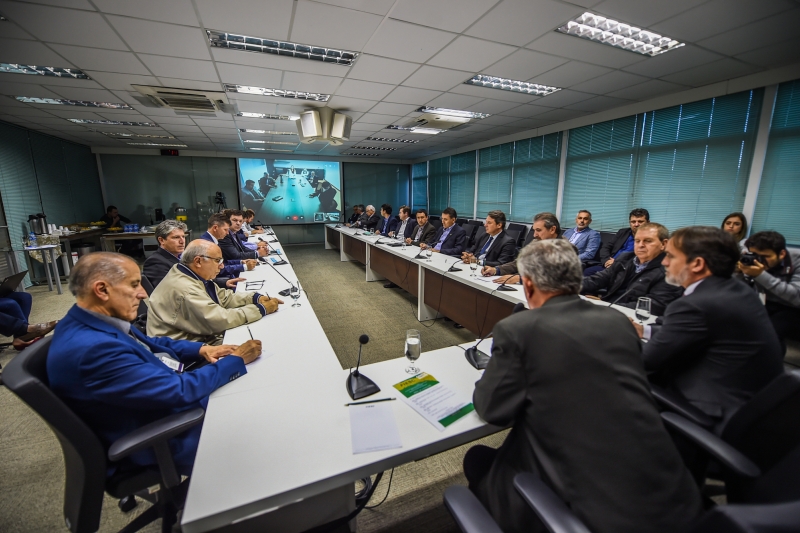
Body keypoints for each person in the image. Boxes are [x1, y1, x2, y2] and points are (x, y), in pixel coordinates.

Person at [466, 239, 702, 533]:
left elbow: (491, 409)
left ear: (528, 285)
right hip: (673, 496)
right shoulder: (617, 320)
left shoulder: (518, 329)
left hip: (596, 512)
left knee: (477, 459)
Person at [46, 252, 263, 475]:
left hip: (162, 400)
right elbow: (178, 391)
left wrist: (201, 349)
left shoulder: (91, 319)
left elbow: (150, 343)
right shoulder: (94, 350)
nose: (143, 294)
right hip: (166, 436)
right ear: (101, 290)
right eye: (134, 285)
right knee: (261, 417)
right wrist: (236, 360)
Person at [631, 226, 783, 432]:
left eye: (670, 256)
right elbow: (690, 333)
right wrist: (643, 330)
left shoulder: (696, 304)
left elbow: (646, 361)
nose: (664, 262)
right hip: (751, 407)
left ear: (697, 264)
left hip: (711, 413)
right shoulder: (734, 289)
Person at [147, 240, 283, 343]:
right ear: (198, 261)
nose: (222, 266)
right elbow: (220, 320)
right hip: (187, 348)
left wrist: (255, 297)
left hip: (198, 335)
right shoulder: (186, 289)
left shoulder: (190, 273)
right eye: (217, 261)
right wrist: (261, 309)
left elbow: (223, 297)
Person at [581, 223, 682, 315]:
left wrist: (606, 306)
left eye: (648, 241)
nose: (640, 245)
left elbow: (653, 306)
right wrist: (573, 287)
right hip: (610, 310)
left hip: (635, 318)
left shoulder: (669, 271)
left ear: (664, 244)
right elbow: (600, 278)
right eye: (637, 241)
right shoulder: (625, 258)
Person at [740, 230, 800, 353]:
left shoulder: (797, 260)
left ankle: (772, 363)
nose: (759, 261)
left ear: (782, 254)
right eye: (755, 255)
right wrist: (739, 273)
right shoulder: (749, 257)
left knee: (770, 336)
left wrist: (760, 275)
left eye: (765, 256)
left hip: (791, 307)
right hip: (764, 302)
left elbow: (796, 297)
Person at [144, 219, 246, 291]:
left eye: (183, 237)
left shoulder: (182, 255)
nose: (182, 241)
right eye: (176, 237)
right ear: (161, 240)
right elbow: (175, 292)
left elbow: (198, 279)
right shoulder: (155, 262)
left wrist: (224, 283)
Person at [481, 212, 561, 284]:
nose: (534, 235)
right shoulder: (536, 242)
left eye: (539, 230)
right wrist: (496, 270)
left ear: (552, 229)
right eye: (534, 230)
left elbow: (554, 277)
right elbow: (519, 263)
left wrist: (520, 279)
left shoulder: (564, 250)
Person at [584, 208, 649, 276]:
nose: (636, 224)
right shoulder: (623, 232)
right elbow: (606, 247)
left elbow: (641, 258)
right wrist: (606, 260)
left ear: (648, 222)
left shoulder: (650, 239)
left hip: (625, 269)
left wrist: (617, 263)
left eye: (640, 221)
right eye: (633, 222)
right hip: (609, 264)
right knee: (586, 272)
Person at [199, 213, 258, 278]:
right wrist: (244, 267)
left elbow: (223, 263)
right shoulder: (207, 245)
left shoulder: (214, 240)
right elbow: (218, 270)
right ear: (215, 228)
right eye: (225, 230)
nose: (227, 233)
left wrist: (240, 262)